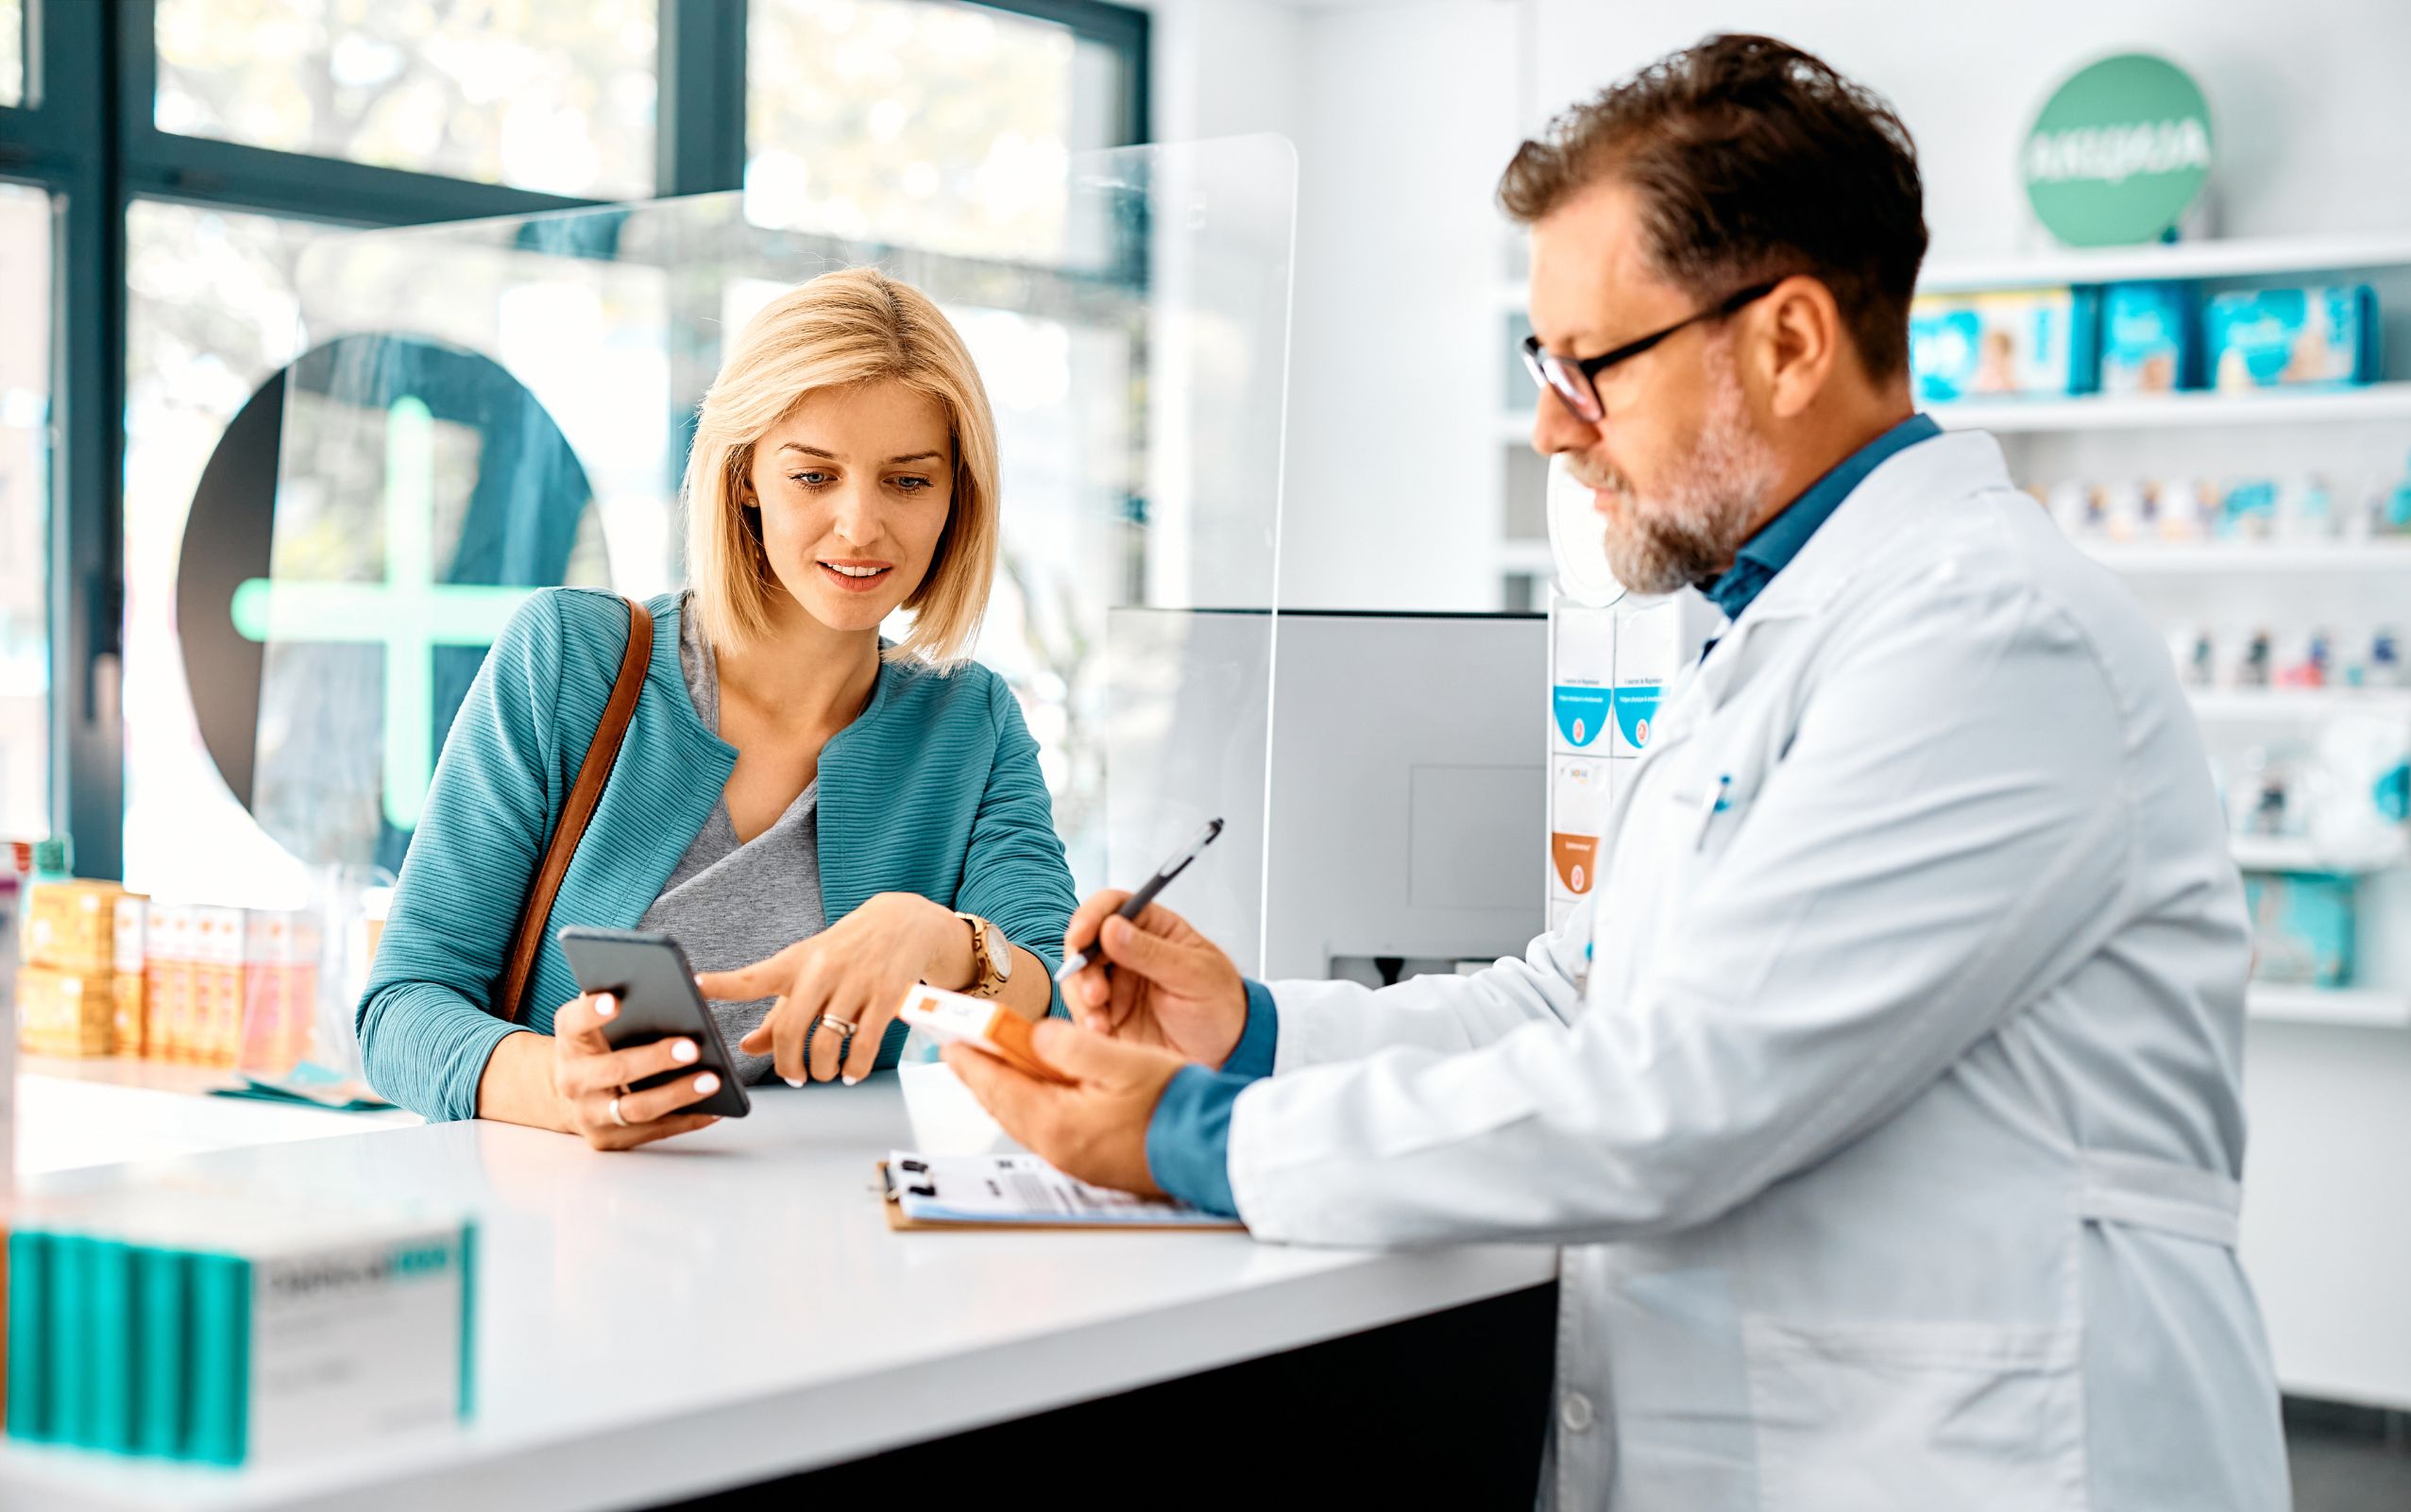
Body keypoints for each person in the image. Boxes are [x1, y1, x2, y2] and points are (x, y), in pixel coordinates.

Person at [942, 34, 2290, 1510]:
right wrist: (1251, 1031)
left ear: (1786, 342)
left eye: (1591, 365)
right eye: (1544, 364)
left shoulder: (1991, 641)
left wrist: (1184, 1138)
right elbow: (1572, 1002)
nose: (1549, 426)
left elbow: (1675, 1094)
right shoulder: (1769, 637)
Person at [361, 269, 1076, 1149]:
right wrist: (562, 1085)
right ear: (744, 477)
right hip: (573, 1227)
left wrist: (935, 939)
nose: (859, 525)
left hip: (830, 1241)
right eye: (814, 475)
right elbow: (399, 1009)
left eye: (908, 481)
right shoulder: (569, 660)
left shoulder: (970, 726)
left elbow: (1061, 1006)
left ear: (955, 496)